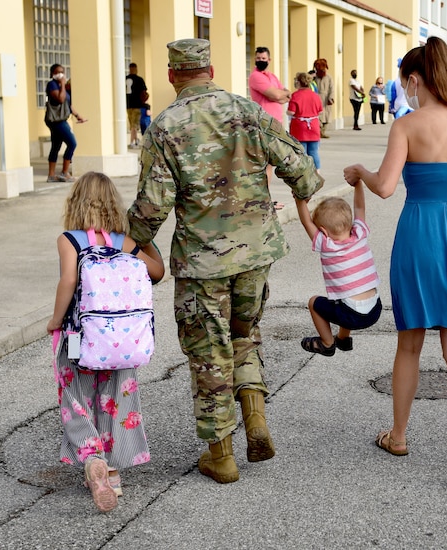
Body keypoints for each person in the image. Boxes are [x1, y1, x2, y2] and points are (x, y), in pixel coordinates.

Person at [127, 39, 323, 484]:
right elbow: (301, 168)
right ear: (211, 69)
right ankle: (254, 416)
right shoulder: (246, 110)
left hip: (202, 262)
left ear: (173, 75)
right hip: (256, 253)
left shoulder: (164, 126)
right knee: (245, 334)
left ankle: (222, 455)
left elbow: (153, 205)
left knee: (208, 352)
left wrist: (134, 240)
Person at [343, 36, 447, 487]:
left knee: (410, 343)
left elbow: (386, 187)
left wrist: (359, 172)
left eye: (405, 84)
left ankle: (398, 435)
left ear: (415, 80)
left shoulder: (407, 126)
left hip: (420, 236)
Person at [47, 171, 165, 513]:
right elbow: (157, 272)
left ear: (75, 202)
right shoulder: (124, 242)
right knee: (115, 399)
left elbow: (68, 280)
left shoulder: (69, 239)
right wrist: (142, 238)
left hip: (77, 338)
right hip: (121, 340)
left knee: (75, 395)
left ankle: (92, 457)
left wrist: (55, 320)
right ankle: (111, 473)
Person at [294, 185, 383, 356]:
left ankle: (327, 343)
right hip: (375, 309)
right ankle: (342, 339)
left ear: (322, 231)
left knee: (314, 302)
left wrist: (300, 200)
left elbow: (305, 221)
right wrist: (357, 185)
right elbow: (359, 207)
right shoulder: (360, 234)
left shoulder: (326, 245)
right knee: (345, 299)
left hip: (351, 314)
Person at [45, 64, 86, 183]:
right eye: (58, 72)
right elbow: (60, 99)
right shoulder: (52, 85)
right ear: (53, 74)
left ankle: (51, 175)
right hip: (56, 121)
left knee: (56, 146)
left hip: (61, 119)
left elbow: (68, 104)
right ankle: (64, 173)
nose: (61, 74)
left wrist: (78, 116)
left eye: (62, 72)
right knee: (72, 143)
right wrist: (63, 84)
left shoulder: (63, 88)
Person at [287, 72, 323, 171]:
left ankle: (303, 173)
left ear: (298, 82)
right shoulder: (315, 95)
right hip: (313, 126)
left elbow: (291, 112)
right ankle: (317, 172)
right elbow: (320, 111)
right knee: (314, 151)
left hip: (299, 128)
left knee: (301, 152)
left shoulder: (295, 95)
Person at [249, 47, 290, 124]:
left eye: (263, 58)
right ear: (255, 59)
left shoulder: (272, 76)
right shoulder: (256, 76)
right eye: (258, 58)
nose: (261, 60)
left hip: (277, 120)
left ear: (269, 60)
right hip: (264, 121)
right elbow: (277, 95)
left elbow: (287, 97)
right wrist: (277, 95)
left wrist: (274, 96)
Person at [126, 63, 148, 148]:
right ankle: (134, 141)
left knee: (133, 125)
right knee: (133, 125)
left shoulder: (126, 79)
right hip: (136, 105)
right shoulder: (139, 80)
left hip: (129, 105)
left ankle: (134, 141)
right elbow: (144, 92)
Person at [313, 58, 334, 138]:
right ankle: (318, 132)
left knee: (327, 115)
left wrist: (331, 98)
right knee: (318, 115)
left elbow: (332, 88)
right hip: (317, 98)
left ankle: (323, 131)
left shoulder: (329, 77)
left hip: (326, 98)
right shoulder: (314, 77)